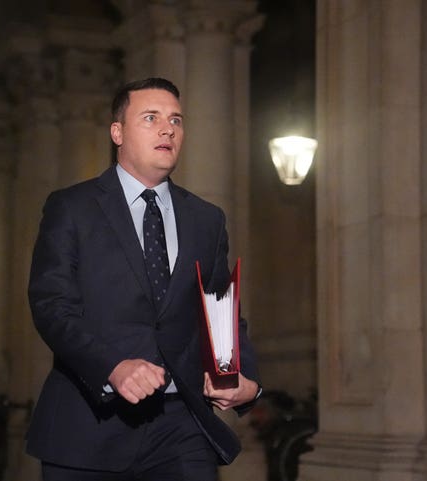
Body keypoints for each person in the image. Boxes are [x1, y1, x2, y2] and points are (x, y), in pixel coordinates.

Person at [26, 77, 261, 481]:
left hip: (182, 428)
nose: (167, 129)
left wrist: (247, 382)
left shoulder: (206, 219)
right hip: (89, 426)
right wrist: (111, 366)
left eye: (176, 120)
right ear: (117, 132)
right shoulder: (72, 207)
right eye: (151, 118)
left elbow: (222, 309)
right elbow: (52, 306)